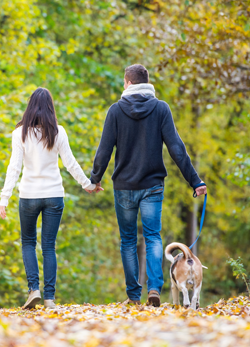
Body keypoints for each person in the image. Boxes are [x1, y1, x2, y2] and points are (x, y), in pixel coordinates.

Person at [89, 64, 207, 307]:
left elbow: (104, 149)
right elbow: (177, 148)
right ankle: (154, 288)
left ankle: (134, 295)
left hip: (124, 187)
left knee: (128, 240)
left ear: (128, 83)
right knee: (153, 237)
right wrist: (195, 181)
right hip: (152, 185)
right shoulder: (161, 109)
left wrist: (95, 178)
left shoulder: (115, 111)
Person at [0, 87, 97, 309]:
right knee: (49, 246)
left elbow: (13, 168)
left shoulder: (19, 133)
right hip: (54, 195)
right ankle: (50, 298)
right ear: (51, 107)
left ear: (30, 106)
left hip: (29, 196)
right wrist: (87, 184)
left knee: (28, 242)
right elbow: (70, 163)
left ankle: (34, 289)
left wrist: (4, 197)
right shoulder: (58, 131)